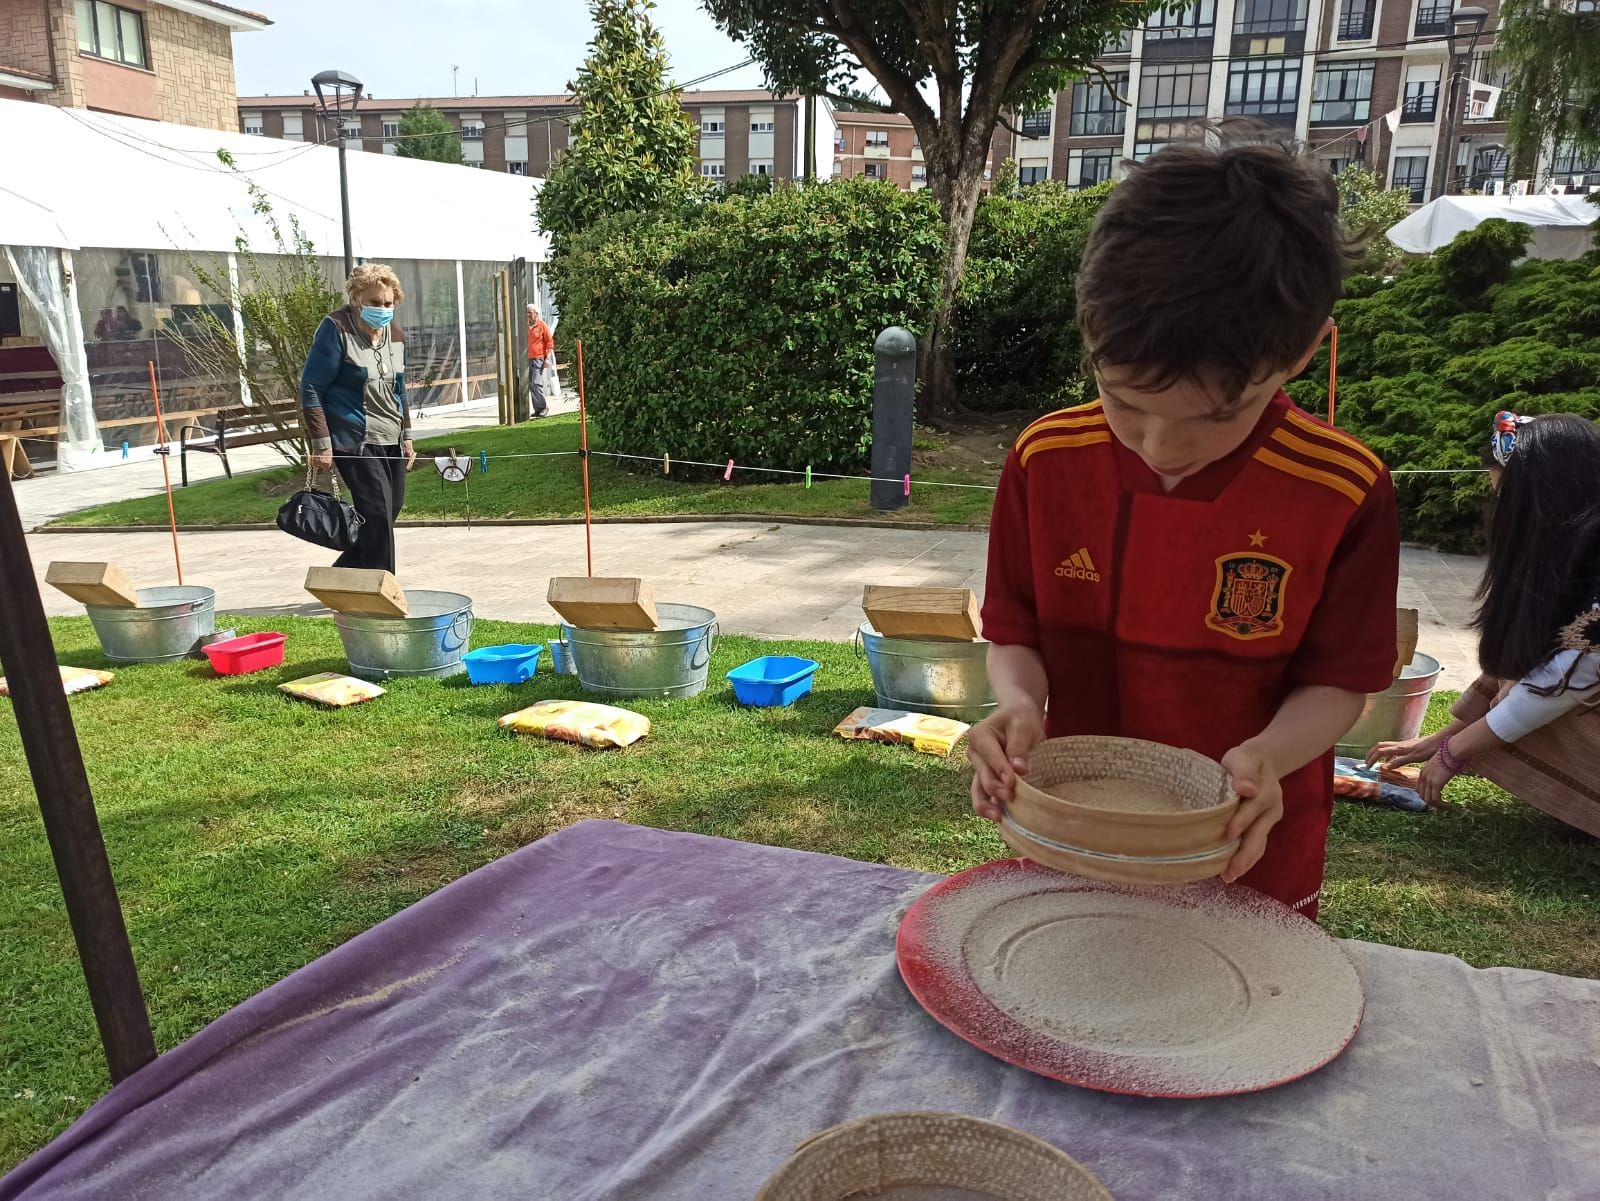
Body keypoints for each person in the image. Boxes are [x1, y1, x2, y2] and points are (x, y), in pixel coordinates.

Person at [968, 130, 1401, 920]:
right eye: (1123, 401)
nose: (1161, 444)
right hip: (1079, 829)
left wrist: (1268, 756)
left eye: (1218, 416)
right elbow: (1015, 630)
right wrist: (1020, 703)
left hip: (1245, 844)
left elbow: (1339, 680)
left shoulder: (1342, 489)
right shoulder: (1046, 459)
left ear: (1301, 350)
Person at [1368, 413, 1600, 806]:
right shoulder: (1569, 552)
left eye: (1509, 499)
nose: (1500, 511)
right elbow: (1522, 660)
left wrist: (1454, 751)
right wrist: (1440, 739)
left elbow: (1562, 682)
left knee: (1534, 688)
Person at [299, 263, 416, 574]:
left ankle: (341, 577)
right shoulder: (335, 328)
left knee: (388, 511)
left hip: (391, 437)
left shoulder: (396, 335)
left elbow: (399, 390)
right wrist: (322, 444)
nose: (382, 309)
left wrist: (407, 437)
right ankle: (381, 591)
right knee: (376, 514)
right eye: (375, 302)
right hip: (354, 439)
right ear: (356, 299)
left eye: (388, 303)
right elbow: (311, 387)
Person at [526, 303, 554, 418]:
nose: (527, 315)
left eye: (530, 312)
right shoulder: (526, 325)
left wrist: (547, 358)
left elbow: (550, 343)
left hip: (539, 358)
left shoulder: (542, 325)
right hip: (527, 358)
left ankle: (543, 407)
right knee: (531, 384)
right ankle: (537, 409)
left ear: (536, 314)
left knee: (536, 382)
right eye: (527, 313)